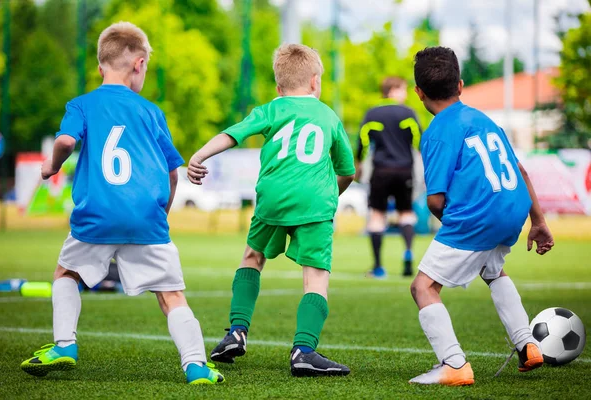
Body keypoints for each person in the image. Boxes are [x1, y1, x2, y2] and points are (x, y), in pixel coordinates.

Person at [19, 22, 224, 386]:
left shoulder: (81, 104)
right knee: (171, 295)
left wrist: (52, 166)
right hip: (146, 219)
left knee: (66, 274)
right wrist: (163, 212)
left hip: (96, 214)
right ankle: (195, 366)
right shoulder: (150, 112)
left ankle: (65, 345)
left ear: (100, 67)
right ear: (140, 65)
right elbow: (171, 172)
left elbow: (66, 142)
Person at [187, 44, 355, 377]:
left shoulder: (271, 109)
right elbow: (348, 170)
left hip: (272, 199)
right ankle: (304, 351)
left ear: (279, 87)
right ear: (315, 81)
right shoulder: (328, 116)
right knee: (315, 277)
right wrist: (329, 196)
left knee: (252, 256)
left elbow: (232, 135)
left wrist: (199, 156)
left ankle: (236, 331)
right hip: (315, 203)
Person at [408, 46, 554, 386]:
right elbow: (520, 171)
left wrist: (462, 233)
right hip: (513, 210)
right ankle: (528, 344)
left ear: (419, 92)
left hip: (478, 218)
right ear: (460, 86)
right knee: (494, 270)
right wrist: (540, 221)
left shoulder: (437, 133)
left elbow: (434, 201)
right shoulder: (484, 119)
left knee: (423, 286)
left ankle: (454, 364)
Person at [355, 76, 421, 278]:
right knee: (406, 213)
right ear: (392, 90)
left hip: (381, 171)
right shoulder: (408, 113)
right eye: (403, 89)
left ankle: (378, 267)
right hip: (404, 170)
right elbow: (418, 139)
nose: (405, 93)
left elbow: (363, 141)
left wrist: (359, 162)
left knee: (376, 216)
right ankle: (408, 253)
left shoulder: (372, 114)